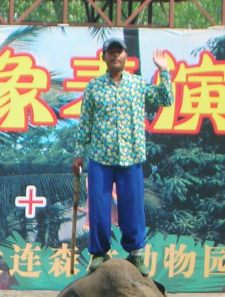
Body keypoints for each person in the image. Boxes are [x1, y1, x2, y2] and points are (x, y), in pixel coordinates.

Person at [73, 38, 173, 276]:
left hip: (131, 157)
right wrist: (79, 154)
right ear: (104, 57)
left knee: (132, 206)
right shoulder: (94, 87)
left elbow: (165, 99)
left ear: (126, 57)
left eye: (119, 52)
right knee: (99, 205)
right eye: (111, 52)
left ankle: (136, 254)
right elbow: (85, 123)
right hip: (100, 158)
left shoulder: (137, 84)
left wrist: (163, 70)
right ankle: (99, 253)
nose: (115, 56)